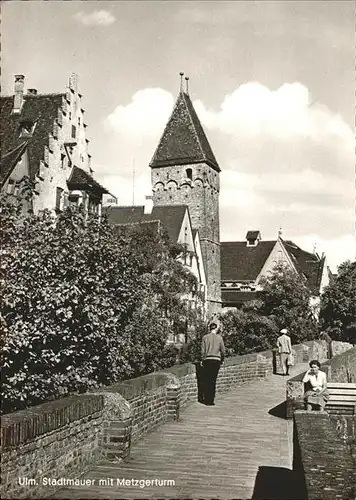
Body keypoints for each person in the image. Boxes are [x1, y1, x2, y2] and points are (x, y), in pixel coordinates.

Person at [201, 322, 225, 406]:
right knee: (213, 381)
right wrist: (222, 359)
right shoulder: (219, 338)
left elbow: (202, 351)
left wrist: (202, 360)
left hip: (207, 360)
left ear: (209, 329)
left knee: (207, 380)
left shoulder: (205, 337)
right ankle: (211, 400)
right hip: (216, 360)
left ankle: (206, 399)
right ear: (216, 329)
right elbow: (223, 351)